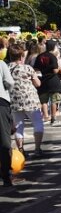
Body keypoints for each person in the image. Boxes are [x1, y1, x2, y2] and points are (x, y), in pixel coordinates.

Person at [8, 43, 44, 157]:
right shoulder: (27, 68)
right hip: (30, 100)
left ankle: (21, 150)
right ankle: (37, 149)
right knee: (37, 123)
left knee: (19, 126)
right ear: (22, 56)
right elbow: (38, 83)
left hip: (14, 101)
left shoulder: (6, 68)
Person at [33, 39, 61, 126]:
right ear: (53, 47)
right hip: (53, 81)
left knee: (44, 101)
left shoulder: (40, 56)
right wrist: (60, 69)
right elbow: (55, 70)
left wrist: (43, 70)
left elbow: (36, 69)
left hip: (43, 80)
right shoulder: (52, 56)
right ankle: (53, 118)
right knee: (54, 100)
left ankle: (45, 116)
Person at [0, 56, 14, 188]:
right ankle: (6, 176)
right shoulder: (1, 64)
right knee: (4, 140)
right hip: (1, 102)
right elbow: (9, 83)